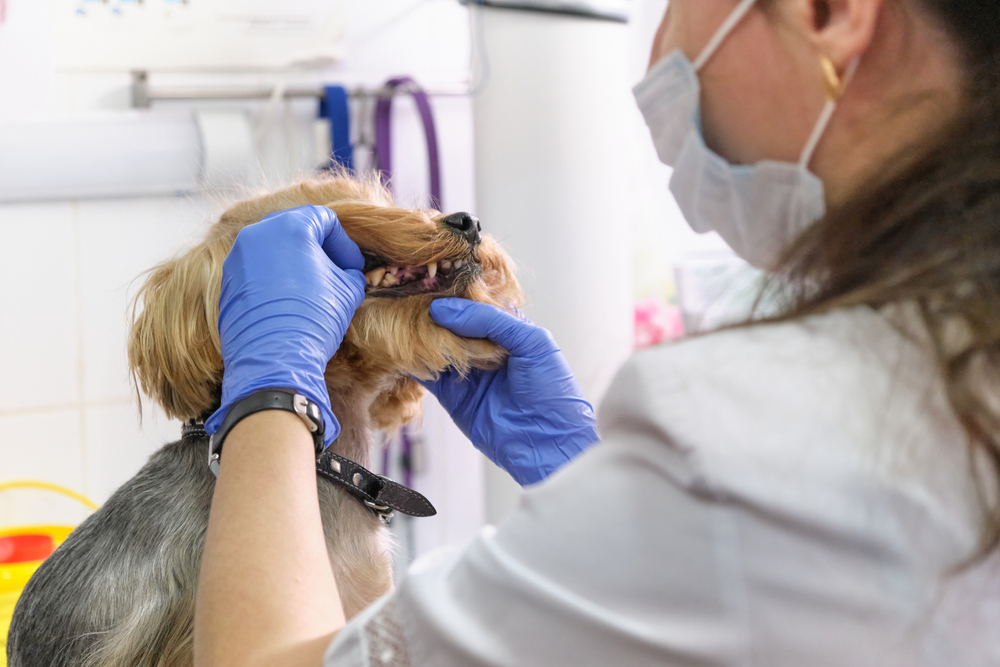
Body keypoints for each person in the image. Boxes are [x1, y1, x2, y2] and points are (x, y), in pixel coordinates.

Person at [192, 0, 1000, 665]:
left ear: (827, 13)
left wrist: (271, 390)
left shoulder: (750, 435)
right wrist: (599, 486)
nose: (661, 41)